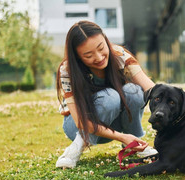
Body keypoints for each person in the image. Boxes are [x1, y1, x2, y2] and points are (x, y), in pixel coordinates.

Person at [55, 20, 157, 168]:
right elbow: (79, 121)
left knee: (134, 92)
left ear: (105, 39)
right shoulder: (68, 70)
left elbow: (153, 90)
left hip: (112, 122)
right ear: (77, 57)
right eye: (88, 55)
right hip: (79, 126)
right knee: (110, 97)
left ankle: (136, 145)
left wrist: (183, 108)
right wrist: (121, 136)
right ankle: (76, 147)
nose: (98, 57)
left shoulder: (120, 56)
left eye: (101, 48)